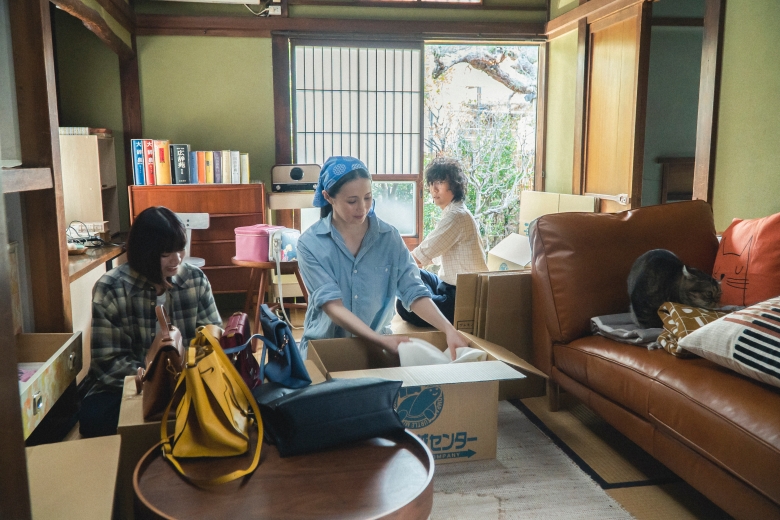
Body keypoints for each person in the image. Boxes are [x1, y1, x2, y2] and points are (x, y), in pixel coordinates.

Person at [297, 156, 469, 360]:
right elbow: (332, 306)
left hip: (377, 349)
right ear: (328, 197)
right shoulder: (310, 244)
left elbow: (413, 290)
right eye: (352, 201)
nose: (362, 208)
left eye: (367, 197)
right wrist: (379, 340)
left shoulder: (389, 238)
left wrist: (448, 329)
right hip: (324, 348)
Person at [78, 206, 221, 438]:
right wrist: (153, 379)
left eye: (180, 249)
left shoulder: (195, 279)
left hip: (187, 379)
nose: (177, 259)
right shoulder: (111, 288)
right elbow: (108, 363)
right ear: (144, 254)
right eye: (165, 254)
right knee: (94, 418)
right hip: (133, 385)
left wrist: (187, 376)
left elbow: (211, 340)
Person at [396, 157, 488, 326]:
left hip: (462, 298)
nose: (434, 189)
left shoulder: (456, 216)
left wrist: (386, 271)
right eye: (431, 183)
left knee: (403, 305)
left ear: (454, 184)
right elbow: (430, 259)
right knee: (417, 277)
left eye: (440, 182)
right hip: (447, 285)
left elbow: (418, 257)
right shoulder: (454, 211)